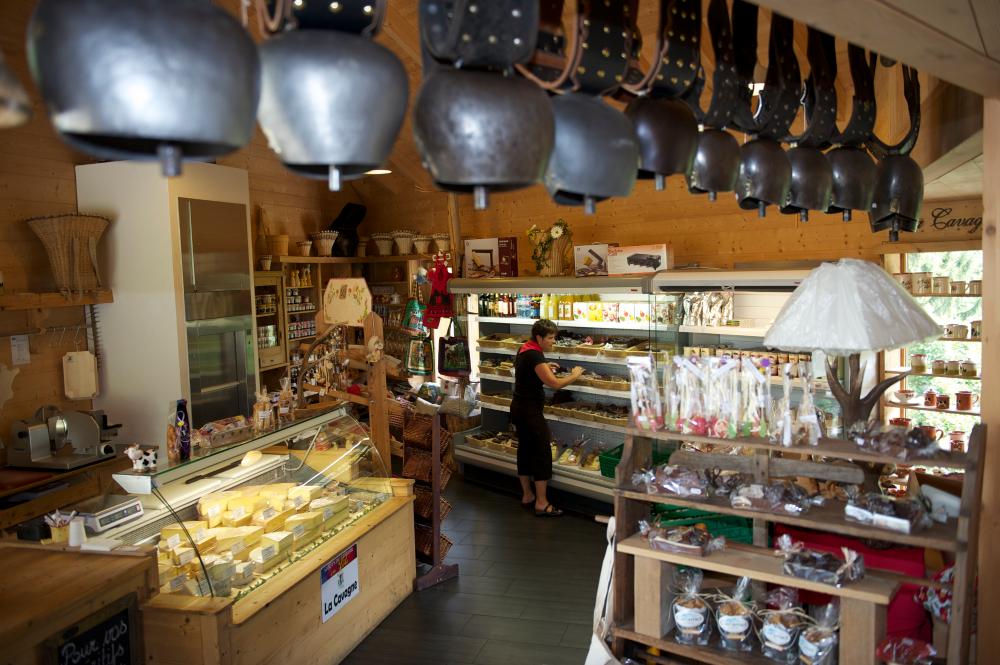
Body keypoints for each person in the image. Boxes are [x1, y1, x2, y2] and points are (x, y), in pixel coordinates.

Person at [510, 319, 584, 516]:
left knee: (524, 451)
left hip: (519, 408)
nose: (553, 341)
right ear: (539, 337)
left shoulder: (525, 349)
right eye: (550, 338)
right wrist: (575, 374)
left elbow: (528, 369)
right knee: (542, 453)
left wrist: (544, 365)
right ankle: (542, 503)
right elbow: (555, 384)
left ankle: (527, 495)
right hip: (530, 412)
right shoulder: (535, 355)